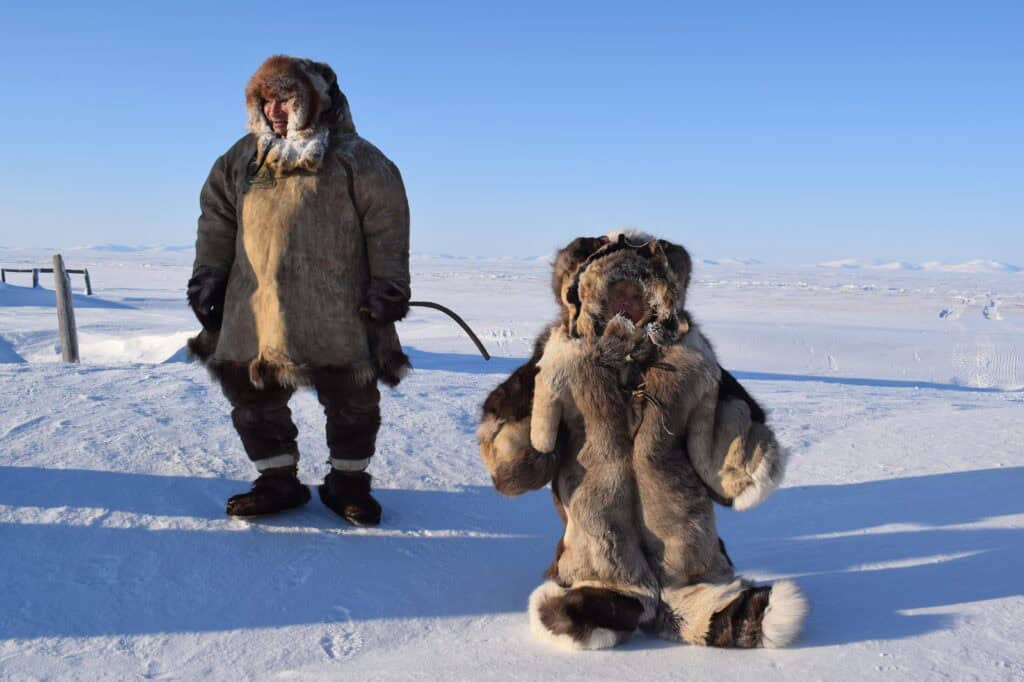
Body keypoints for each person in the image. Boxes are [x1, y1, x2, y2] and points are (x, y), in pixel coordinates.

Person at [477, 231, 807, 650]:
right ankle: (601, 597)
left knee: (689, 562)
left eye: (640, 297)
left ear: (661, 301)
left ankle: (701, 601)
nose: (628, 307)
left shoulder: (689, 360)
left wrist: (743, 453)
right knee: (597, 557)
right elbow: (518, 437)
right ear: (589, 298)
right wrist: (514, 446)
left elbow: (730, 423)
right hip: (596, 531)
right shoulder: (564, 359)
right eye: (617, 296)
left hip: (680, 525)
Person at [186, 55, 411, 526]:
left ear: (314, 101)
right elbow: (216, 219)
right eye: (265, 101)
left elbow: (388, 227)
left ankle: (347, 484)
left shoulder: (357, 158)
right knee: (251, 394)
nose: (273, 111)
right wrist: (209, 274)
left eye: (284, 99)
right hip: (256, 307)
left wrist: (389, 286)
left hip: (339, 308)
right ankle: (277, 481)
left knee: (352, 398)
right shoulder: (241, 159)